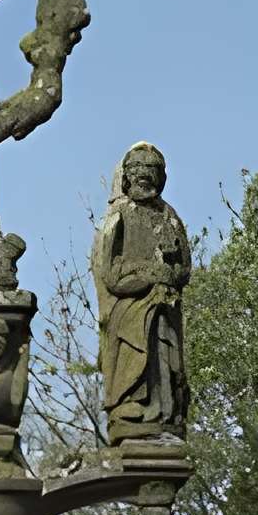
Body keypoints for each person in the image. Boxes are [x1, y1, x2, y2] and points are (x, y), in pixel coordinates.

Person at [91, 142, 191, 445]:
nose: (144, 174)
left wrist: (170, 273)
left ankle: (166, 413)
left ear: (161, 176)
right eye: (137, 168)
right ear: (126, 176)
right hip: (130, 309)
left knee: (166, 359)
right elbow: (111, 275)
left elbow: (184, 267)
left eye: (151, 168)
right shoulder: (119, 216)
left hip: (165, 309)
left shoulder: (169, 216)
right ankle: (130, 407)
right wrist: (148, 274)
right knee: (135, 354)